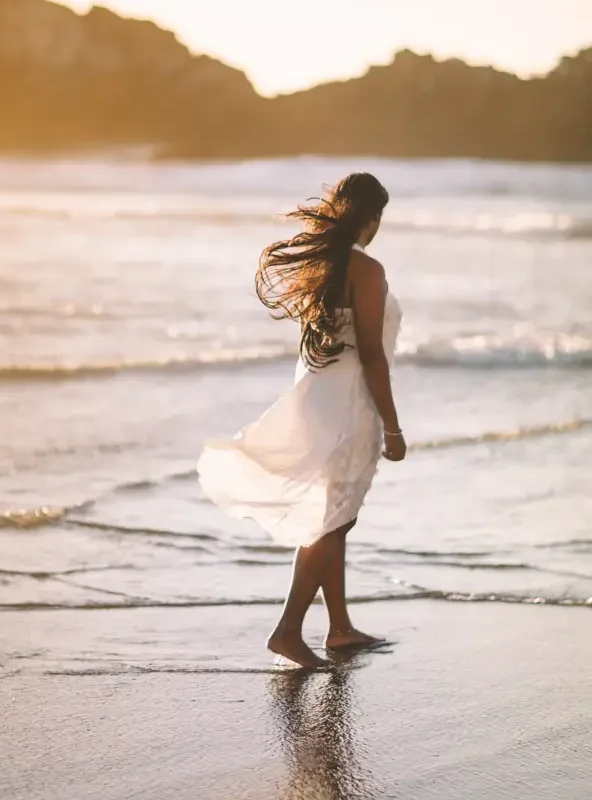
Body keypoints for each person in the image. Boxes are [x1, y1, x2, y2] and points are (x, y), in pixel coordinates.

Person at [198, 172, 405, 668]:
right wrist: (393, 428)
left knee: (335, 518)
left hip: (319, 399)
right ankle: (288, 631)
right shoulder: (366, 270)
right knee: (331, 521)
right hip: (348, 405)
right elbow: (372, 356)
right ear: (372, 218)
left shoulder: (325, 266)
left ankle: (338, 629)